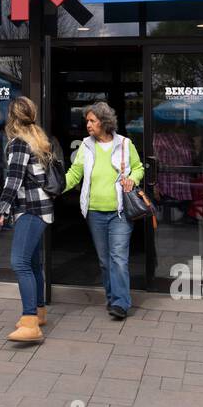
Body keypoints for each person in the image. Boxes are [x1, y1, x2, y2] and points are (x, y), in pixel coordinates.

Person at [63, 102, 145, 320]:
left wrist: (132, 179)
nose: (88, 125)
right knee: (105, 260)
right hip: (94, 212)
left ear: (104, 122)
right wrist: (56, 186)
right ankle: (112, 298)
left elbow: (138, 167)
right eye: (87, 121)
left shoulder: (125, 144)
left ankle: (121, 303)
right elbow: (74, 173)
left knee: (118, 257)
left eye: (92, 121)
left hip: (120, 213)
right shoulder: (85, 146)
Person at [0, 96, 56, 343]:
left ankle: (30, 323)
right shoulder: (39, 140)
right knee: (33, 263)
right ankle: (38, 312)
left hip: (30, 210)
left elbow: (13, 181)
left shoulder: (19, 143)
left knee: (19, 263)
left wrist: (0, 212)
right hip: (43, 209)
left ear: (12, 117)